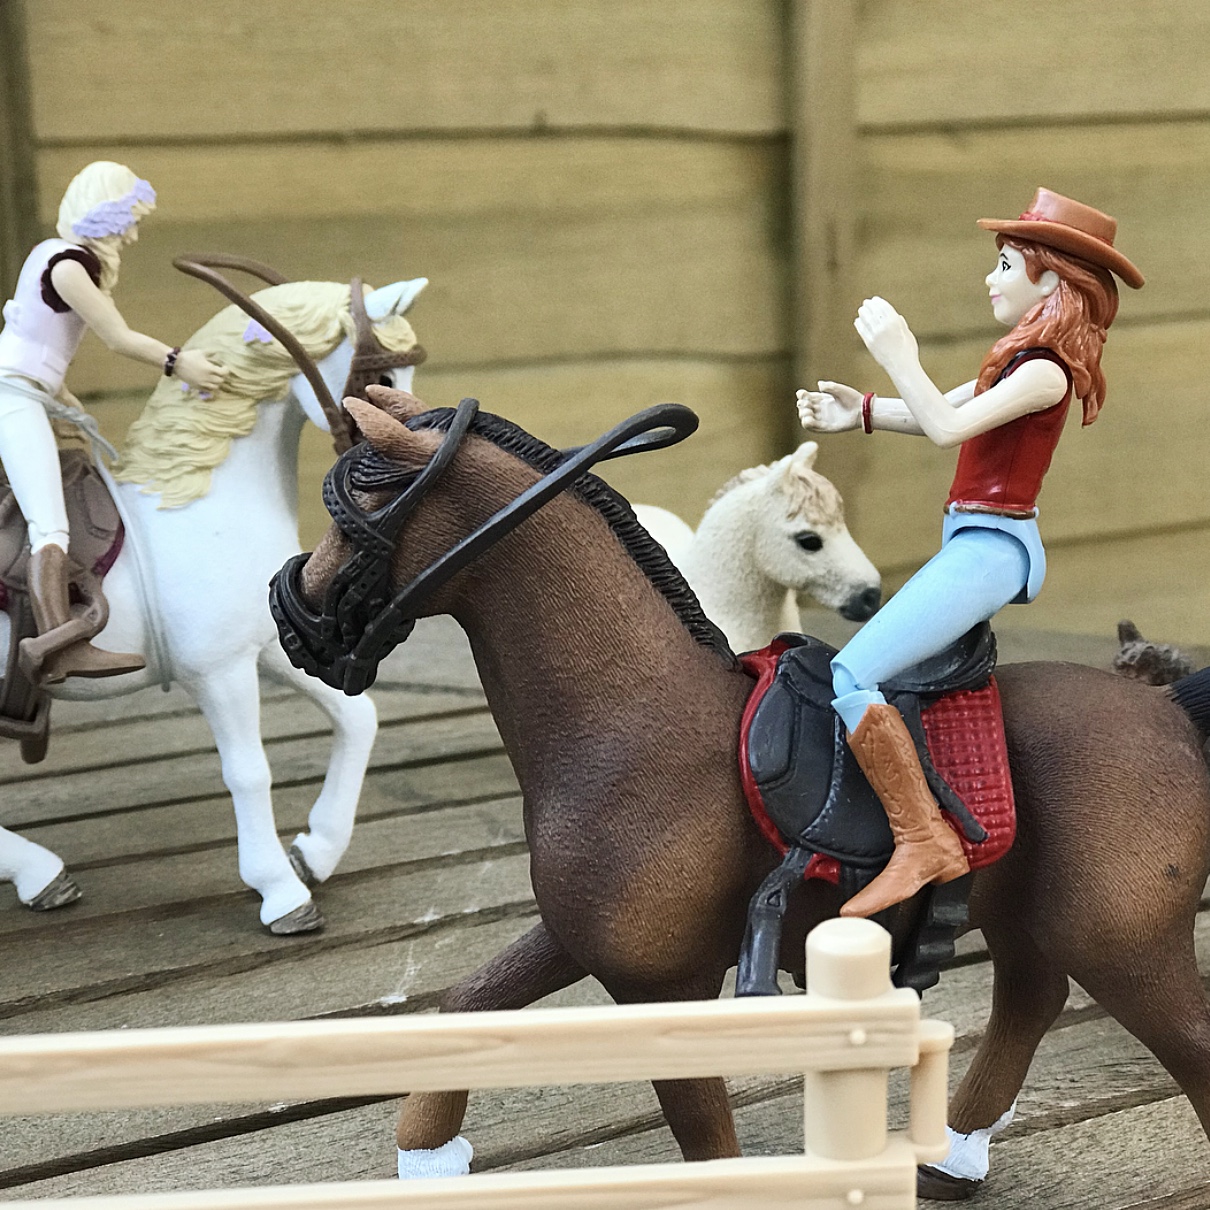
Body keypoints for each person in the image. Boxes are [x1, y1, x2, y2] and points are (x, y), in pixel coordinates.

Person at [797, 187, 1143, 918]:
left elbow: (948, 429)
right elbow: (940, 412)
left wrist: (900, 355)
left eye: (1007, 265)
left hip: (992, 548)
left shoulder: (1046, 371)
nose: (992, 279)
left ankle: (923, 838)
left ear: (1050, 280)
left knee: (852, 670)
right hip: (972, 536)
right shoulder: (1017, 359)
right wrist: (861, 412)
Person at [0, 161, 227, 684]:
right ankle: (59, 645)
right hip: (14, 399)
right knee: (49, 524)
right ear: (103, 212)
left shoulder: (54, 257)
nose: (132, 233)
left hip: (27, 393)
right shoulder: (67, 267)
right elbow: (117, 337)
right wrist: (179, 362)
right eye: (128, 219)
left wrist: (64, 399)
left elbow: (36, 341)